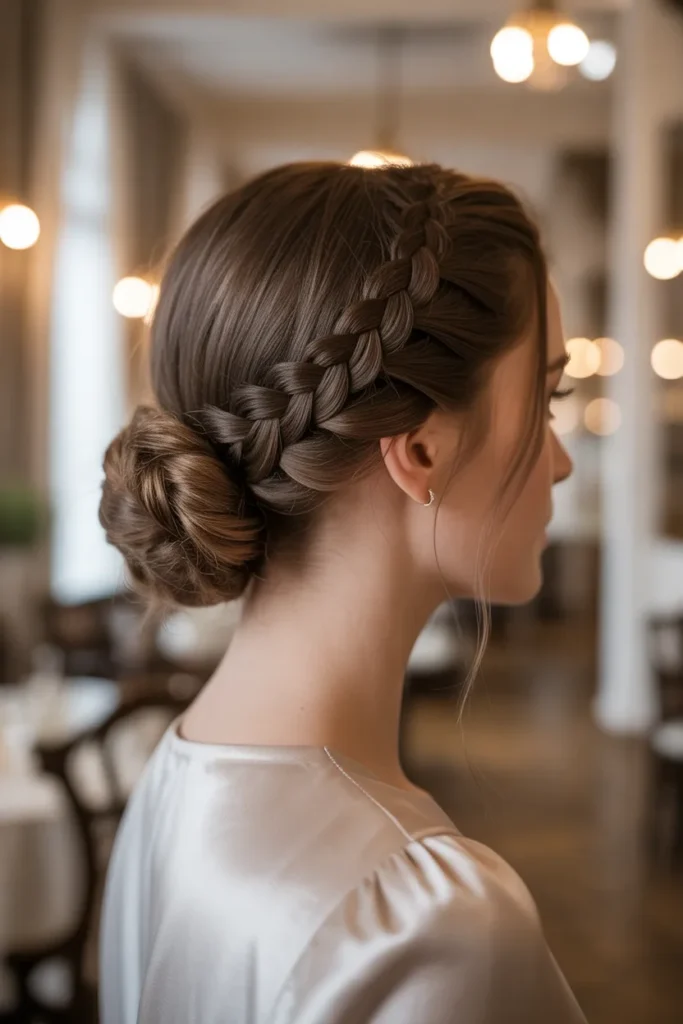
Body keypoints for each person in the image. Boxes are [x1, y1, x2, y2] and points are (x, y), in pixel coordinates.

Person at [98, 162, 585, 1023]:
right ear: (420, 449)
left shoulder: (173, 772)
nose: (559, 460)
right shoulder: (432, 928)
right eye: (546, 398)